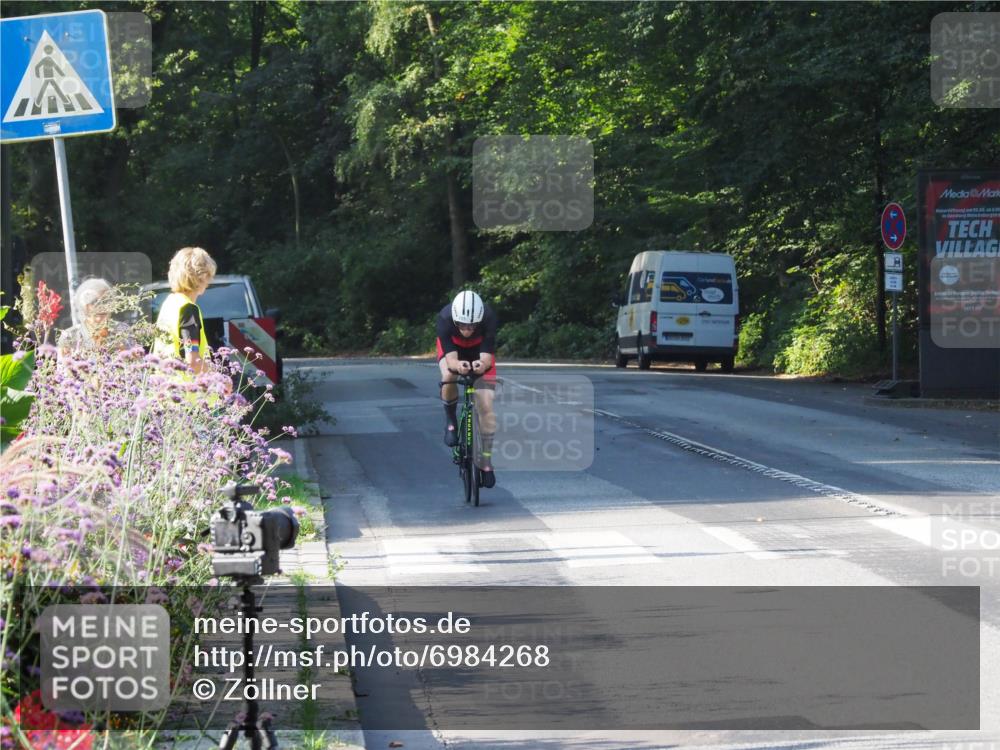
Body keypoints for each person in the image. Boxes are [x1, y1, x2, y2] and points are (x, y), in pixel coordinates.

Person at [437, 290, 498, 488]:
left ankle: (487, 460)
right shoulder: (445, 319)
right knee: (449, 376)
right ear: (455, 320)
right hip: (454, 351)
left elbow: (487, 359)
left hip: (479, 351)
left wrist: (480, 366)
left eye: (472, 325)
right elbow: (451, 360)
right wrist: (459, 366)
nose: (467, 329)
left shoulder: (489, 317)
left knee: (487, 408)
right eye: (462, 325)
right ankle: (451, 420)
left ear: (480, 320)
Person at [152, 247, 217, 376]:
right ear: (202, 277)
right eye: (209, 275)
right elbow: (193, 361)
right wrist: (219, 379)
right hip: (189, 393)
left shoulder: (169, 304)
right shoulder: (188, 309)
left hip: (164, 389)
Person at [57, 278, 130, 356]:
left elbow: (135, 363)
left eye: (106, 301)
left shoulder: (122, 331)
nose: (101, 306)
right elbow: (63, 366)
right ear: (84, 305)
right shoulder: (70, 336)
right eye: (94, 301)